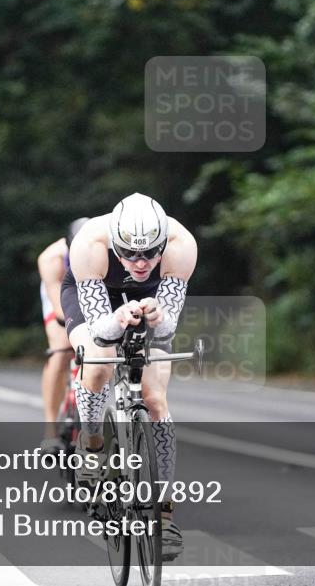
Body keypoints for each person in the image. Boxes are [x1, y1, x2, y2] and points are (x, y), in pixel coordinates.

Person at [62, 193, 196, 561]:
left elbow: (166, 330)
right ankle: (90, 445)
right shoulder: (90, 243)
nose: (140, 263)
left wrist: (156, 315)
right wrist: (119, 318)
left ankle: (164, 515)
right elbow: (103, 332)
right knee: (101, 360)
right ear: (115, 245)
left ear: (163, 243)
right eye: (130, 254)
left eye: (150, 254)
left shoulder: (181, 245)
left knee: (155, 399)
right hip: (95, 294)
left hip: (152, 296)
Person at [36, 217, 90, 453]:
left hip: (91, 287)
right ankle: (50, 430)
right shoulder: (51, 259)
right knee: (60, 349)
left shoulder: (103, 249)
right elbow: (59, 308)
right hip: (60, 293)